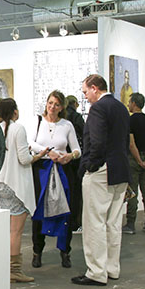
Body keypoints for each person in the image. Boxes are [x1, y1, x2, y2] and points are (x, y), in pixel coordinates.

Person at [73, 74, 131, 287]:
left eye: (86, 92)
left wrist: (90, 165)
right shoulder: (121, 107)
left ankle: (97, 272)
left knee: (94, 222)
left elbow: (96, 142)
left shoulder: (98, 108)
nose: (85, 97)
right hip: (120, 169)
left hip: (102, 170)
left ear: (95, 88)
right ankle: (111, 268)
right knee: (113, 223)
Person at [0, 98, 49, 283]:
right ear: (15, 111)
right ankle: (14, 270)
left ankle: (4, 268)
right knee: (15, 231)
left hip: (1, 184)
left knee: (8, 230)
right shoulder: (18, 129)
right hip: (15, 185)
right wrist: (39, 156)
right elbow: (24, 159)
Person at [29, 90, 81, 269]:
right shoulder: (37, 121)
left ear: (62, 107)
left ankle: (65, 251)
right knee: (39, 211)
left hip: (62, 170)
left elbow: (77, 149)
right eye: (50, 103)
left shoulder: (67, 125)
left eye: (57, 104)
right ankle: (37, 251)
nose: (52, 107)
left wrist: (69, 156)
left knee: (65, 211)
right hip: (41, 170)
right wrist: (47, 151)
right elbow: (30, 143)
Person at [124, 92, 145, 234]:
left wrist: (138, 160)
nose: (128, 104)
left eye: (129, 102)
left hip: (133, 160)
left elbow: (131, 144)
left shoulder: (130, 121)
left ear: (134, 103)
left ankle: (130, 224)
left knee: (132, 193)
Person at [64, 95, 85, 234]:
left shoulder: (63, 119)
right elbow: (85, 134)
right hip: (75, 160)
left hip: (62, 159)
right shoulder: (76, 117)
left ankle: (64, 222)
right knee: (76, 192)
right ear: (75, 104)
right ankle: (75, 223)